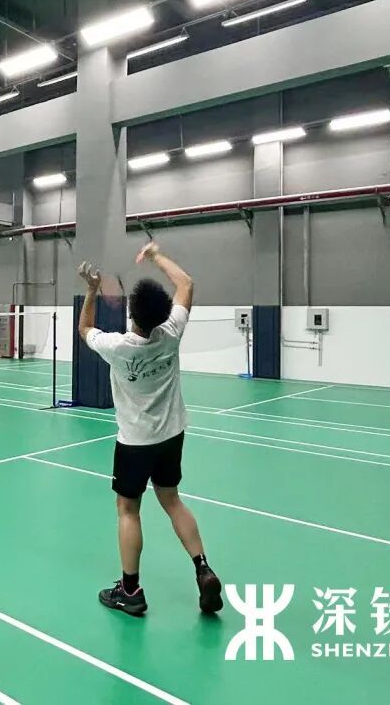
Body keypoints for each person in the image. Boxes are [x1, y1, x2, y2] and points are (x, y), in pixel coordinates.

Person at [78, 241, 223, 617]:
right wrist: (156, 256)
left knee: (128, 510)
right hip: (172, 435)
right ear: (162, 313)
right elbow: (186, 283)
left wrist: (92, 289)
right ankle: (203, 569)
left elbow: (85, 328)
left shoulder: (117, 347)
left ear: (132, 314)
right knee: (172, 501)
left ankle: (130, 591)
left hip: (135, 443)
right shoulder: (172, 331)